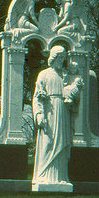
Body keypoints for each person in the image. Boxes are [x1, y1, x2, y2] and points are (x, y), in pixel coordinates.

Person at [32, 45, 72, 187]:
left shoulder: (66, 75)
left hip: (62, 110)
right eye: (59, 57)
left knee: (62, 142)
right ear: (53, 57)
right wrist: (38, 114)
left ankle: (60, 177)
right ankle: (43, 176)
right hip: (49, 110)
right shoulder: (44, 74)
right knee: (48, 142)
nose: (61, 60)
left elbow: (74, 92)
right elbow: (37, 96)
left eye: (63, 58)